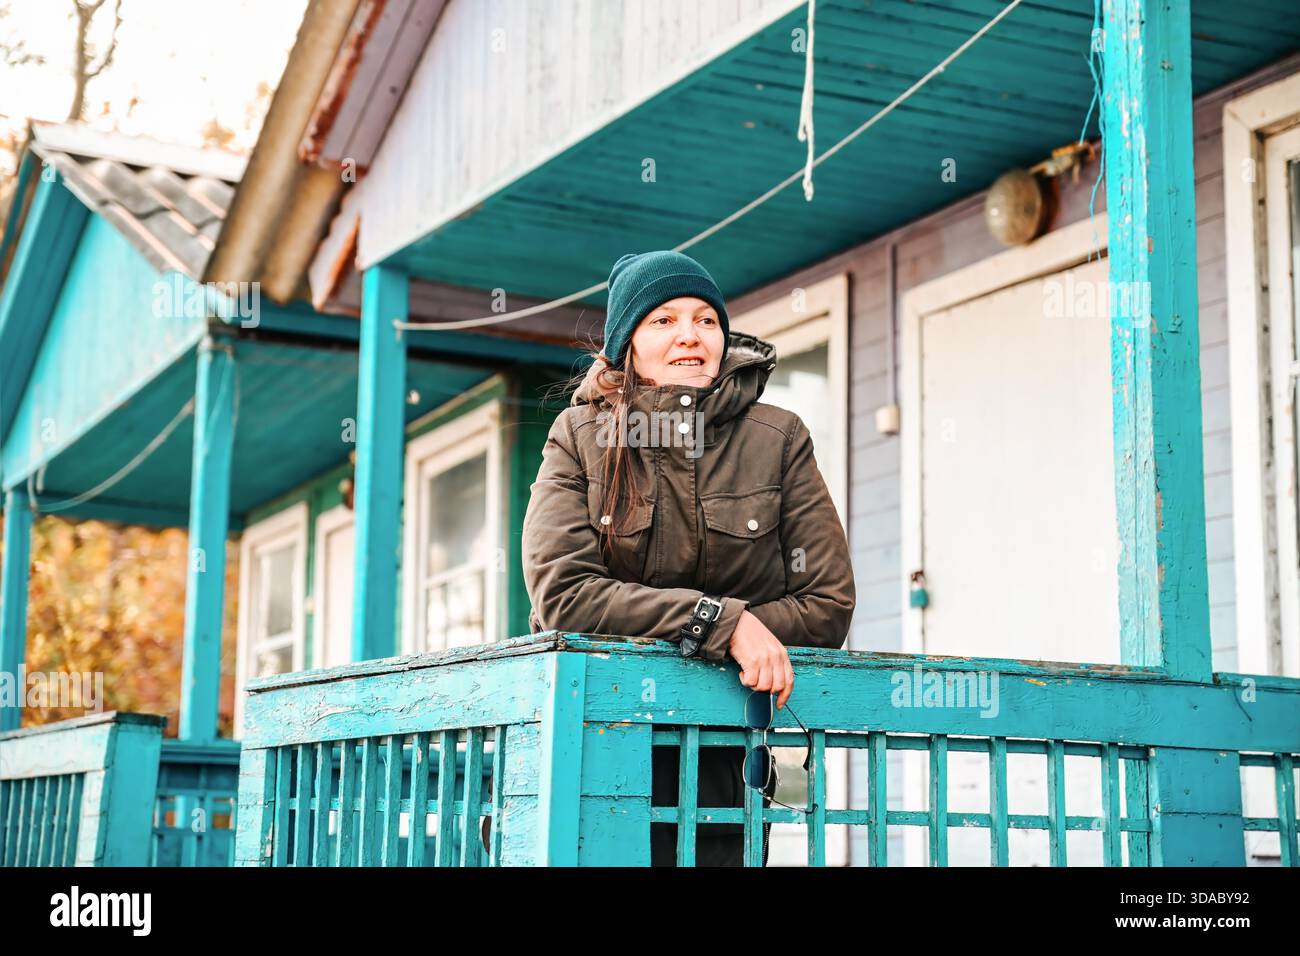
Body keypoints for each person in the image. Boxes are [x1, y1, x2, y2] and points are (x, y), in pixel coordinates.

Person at [521, 250, 856, 865]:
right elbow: (563, 597)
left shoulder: (779, 439)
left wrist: (743, 634)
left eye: (706, 319)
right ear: (627, 345)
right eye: (663, 320)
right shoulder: (579, 436)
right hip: (593, 741)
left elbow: (827, 602)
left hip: (723, 759)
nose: (689, 336)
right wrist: (724, 623)